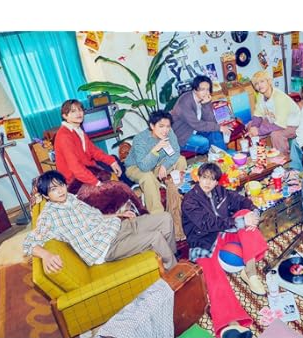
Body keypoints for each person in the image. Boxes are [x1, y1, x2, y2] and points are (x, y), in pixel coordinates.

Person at [23, 171, 177, 273]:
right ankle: (176, 274)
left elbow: (95, 216)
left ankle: (170, 260)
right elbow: (29, 243)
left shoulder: (71, 198)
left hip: (115, 228)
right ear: (46, 196)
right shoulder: (49, 215)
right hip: (106, 248)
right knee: (155, 237)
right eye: (53, 189)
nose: (60, 191)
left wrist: (118, 214)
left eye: (61, 185)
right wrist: (46, 255)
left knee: (165, 218)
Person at [182, 162, 268, 338]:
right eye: (205, 178)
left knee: (244, 213)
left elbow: (240, 201)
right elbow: (207, 224)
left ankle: (250, 273)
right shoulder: (189, 200)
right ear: (198, 178)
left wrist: (253, 212)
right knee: (215, 279)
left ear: (217, 182)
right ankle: (231, 324)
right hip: (203, 243)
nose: (208, 182)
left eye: (212, 179)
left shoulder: (220, 192)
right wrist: (239, 222)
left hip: (223, 235)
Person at [54, 99, 145, 215]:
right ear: (65, 116)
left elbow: (93, 151)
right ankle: (130, 192)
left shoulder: (77, 129)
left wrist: (111, 161)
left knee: (114, 159)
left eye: (80, 110)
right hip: (74, 181)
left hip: (87, 167)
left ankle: (132, 189)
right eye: (73, 111)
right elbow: (75, 167)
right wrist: (96, 183)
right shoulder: (64, 135)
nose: (79, 113)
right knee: (114, 177)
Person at [124, 110, 187, 214]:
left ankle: (177, 195)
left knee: (181, 160)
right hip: (136, 167)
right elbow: (144, 167)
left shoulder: (169, 132)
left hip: (158, 164)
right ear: (152, 126)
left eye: (168, 126)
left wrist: (164, 165)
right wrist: (155, 149)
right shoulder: (140, 139)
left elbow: (176, 152)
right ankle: (158, 214)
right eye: (161, 126)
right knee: (148, 176)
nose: (165, 130)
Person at [171, 75, 231, 154]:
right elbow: (196, 124)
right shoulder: (185, 102)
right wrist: (219, 127)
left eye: (208, 89)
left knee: (215, 133)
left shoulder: (201, 99)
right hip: (182, 136)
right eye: (202, 89)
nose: (206, 93)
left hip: (195, 130)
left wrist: (206, 104)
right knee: (204, 142)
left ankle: (223, 155)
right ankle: (216, 155)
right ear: (195, 89)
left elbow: (211, 121)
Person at [247, 70, 300, 155]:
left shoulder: (279, 97)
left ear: (269, 81)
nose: (259, 85)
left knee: (276, 135)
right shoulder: (261, 96)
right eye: (256, 84)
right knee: (251, 125)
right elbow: (258, 114)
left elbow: (280, 124)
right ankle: (260, 153)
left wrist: (259, 131)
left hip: (292, 124)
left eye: (262, 81)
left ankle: (283, 158)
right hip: (274, 120)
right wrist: (254, 127)